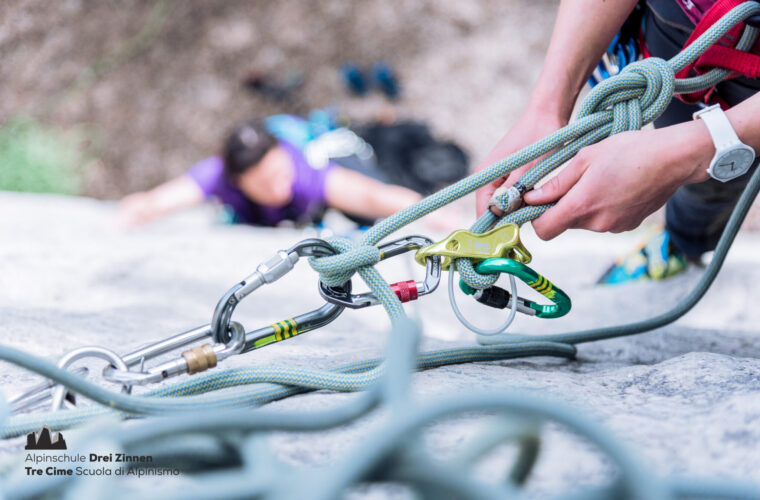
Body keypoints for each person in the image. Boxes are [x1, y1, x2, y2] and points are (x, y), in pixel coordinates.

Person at [475, 0, 760, 283]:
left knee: (724, 166)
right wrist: (547, 106)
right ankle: (683, 244)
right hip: (677, 33)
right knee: (706, 183)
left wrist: (688, 154)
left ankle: (686, 240)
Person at [117, 119, 443, 228]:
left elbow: (373, 196)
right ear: (238, 182)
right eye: (263, 183)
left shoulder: (303, 174)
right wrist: (130, 215)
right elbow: (160, 200)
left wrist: (437, 215)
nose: (278, 186)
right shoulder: (219, 175)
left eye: (277, 172)